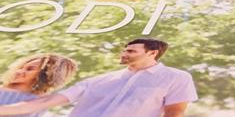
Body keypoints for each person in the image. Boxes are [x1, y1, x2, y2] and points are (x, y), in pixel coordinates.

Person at [0, 39, 197, 117]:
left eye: (130, 51)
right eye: (124, 50)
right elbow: (44, 102)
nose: (123, 54)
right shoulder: (98, 80)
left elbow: (174, 113)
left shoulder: (176, 77)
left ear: (152, 53)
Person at [0, 54, 78, 117]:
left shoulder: (41, 101)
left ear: (45, 75)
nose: (19, 71)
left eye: (30, 69)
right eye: (21, 67)